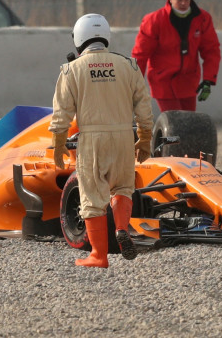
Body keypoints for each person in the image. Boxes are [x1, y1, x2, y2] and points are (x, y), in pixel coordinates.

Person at [49, 13, 153, 268]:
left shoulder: (71, 70)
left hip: (92, 140)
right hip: (123, 137)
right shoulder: (129, 66)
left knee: (92, 197)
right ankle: (121, 229)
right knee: (122, 188)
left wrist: (59, 142)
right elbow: (144, 107)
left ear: (79, 38)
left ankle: (99, 255)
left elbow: (62, 113)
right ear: (105, 35)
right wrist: (144, 138)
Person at [131, 0, 221, 112]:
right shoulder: (154, 21)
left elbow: (211, 50)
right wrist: (134, 83)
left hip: (189, 83)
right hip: (163, 82)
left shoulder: (202, 19)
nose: (184, 3)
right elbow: (140, 54)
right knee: (176, 124)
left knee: (189, 125)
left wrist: (208, 80)